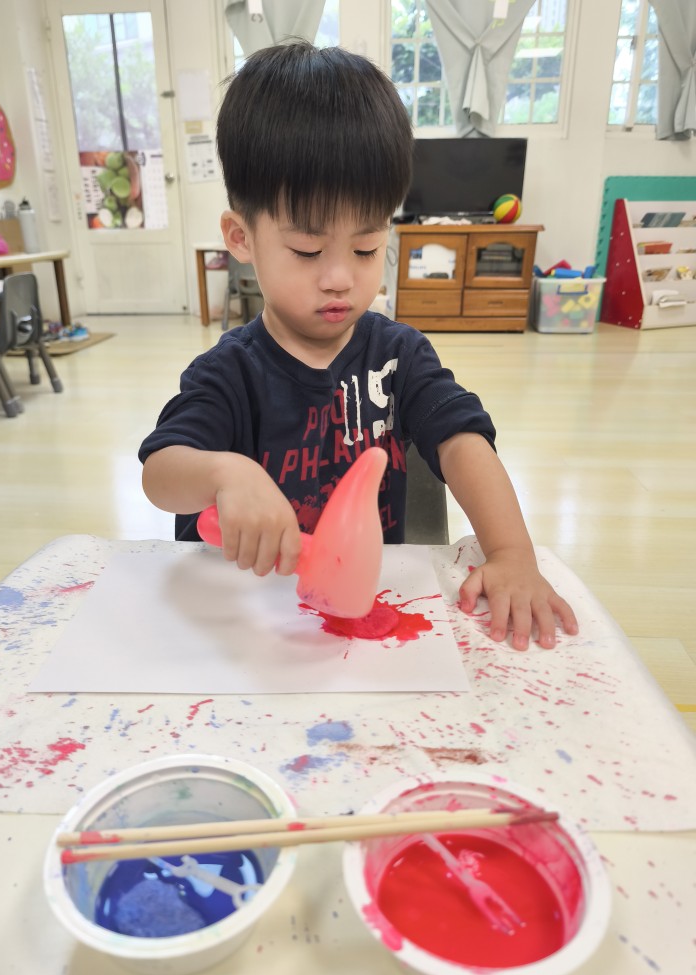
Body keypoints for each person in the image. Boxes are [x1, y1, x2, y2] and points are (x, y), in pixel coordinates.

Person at [139, 41, 578, 651]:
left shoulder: (400, 356)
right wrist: (222, 473)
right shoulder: (229, 371)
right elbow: (160, 474)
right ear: (241, 237)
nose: (340, 277)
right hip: (245, 622)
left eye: (367, 248)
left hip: (364, 621)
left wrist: (511, 555)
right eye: (308, 251)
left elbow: (463, 443)